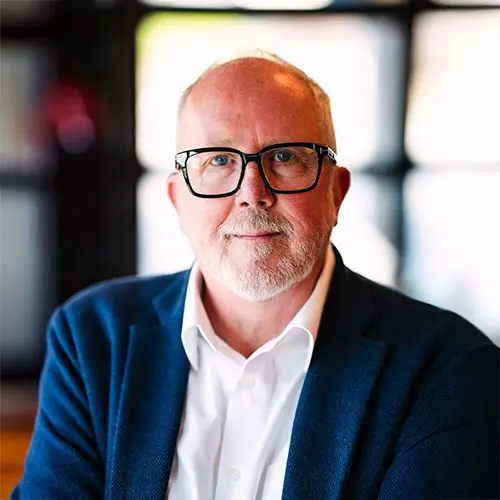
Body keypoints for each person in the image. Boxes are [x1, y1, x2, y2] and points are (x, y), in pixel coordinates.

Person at [12, 52, 499, 500]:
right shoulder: (92, 336)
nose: (252, 193)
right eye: (219, 160)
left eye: (285, 158)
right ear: (178, 200)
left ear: (336, 193)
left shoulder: (450, 370)